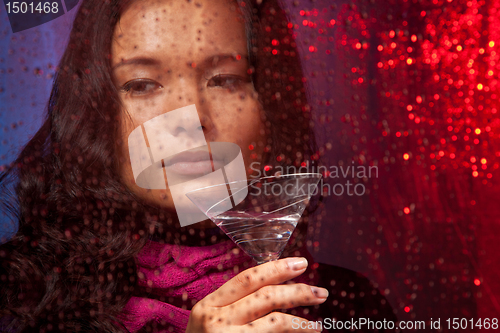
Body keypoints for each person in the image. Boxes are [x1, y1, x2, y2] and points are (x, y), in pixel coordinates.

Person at [0, 0, 395, 332]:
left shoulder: (349, 306)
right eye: (142, 84)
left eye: (224, 79)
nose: (189, 118)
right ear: (93, 114)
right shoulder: (19, 303)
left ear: (270, 107)